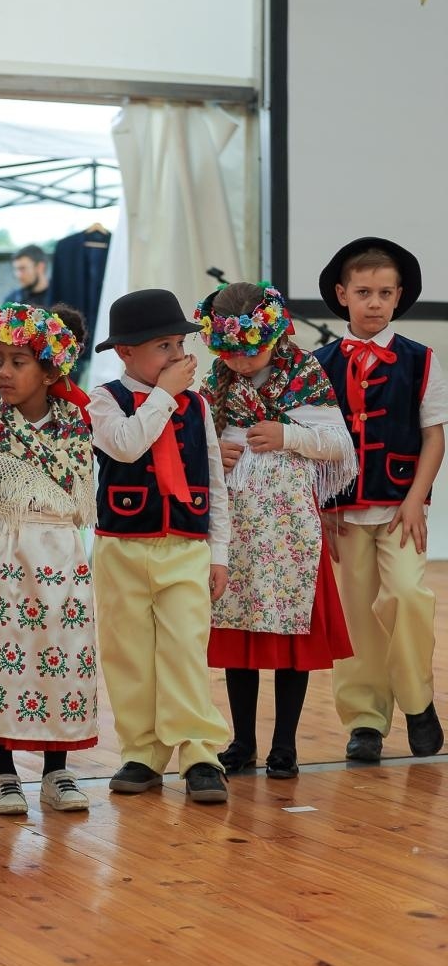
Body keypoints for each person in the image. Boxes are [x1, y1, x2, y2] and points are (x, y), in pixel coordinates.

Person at [196, 282, 357, 779]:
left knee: (290, 638)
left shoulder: (305, 373)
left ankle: (284, 744)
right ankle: (242, 740)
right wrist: (213, 455)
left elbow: (339, 444)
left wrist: (288, 434)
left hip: (289, 528)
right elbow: (192, 439)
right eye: (230, 354)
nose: (241, 363)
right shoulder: (218, 382)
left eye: (251, 353)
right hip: (236, 526)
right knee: (239, 634)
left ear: (275, 336)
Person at [88, 289, 231, 804]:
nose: (176, 357)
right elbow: (125, 444)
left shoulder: (197, 406)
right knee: (128, 650)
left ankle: (199, 753)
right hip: (121, 547)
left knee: (185, 648)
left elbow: (214, 480)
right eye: (162, 347)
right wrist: (164, 396)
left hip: (186, 547)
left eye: (178, 345)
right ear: (125, 353)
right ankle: (143, 751)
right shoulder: (104, 400)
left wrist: (220, 554)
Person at [0, 302, 97, 815]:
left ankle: (57, 769)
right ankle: (2, 773)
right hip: (4, 557)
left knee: (61, 653)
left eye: (18, 361)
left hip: (61, 556)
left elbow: (82, 502)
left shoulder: (77, 430)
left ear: (50, 368)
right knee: (5, 659)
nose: (4, 373)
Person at [314, 237, 447, 762]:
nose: (374, 302)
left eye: (385, 293)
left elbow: (434, 435)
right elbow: (315, 443)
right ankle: (365, 719)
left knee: (408, 597)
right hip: (345, 511)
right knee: (356, 617)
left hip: (398, 509)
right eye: (364, 291)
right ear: (343, 295)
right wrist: (323, 510)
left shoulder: (420, 360)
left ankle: (418, 702)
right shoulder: (319, 363)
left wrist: (416, 500)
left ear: (398, 298)